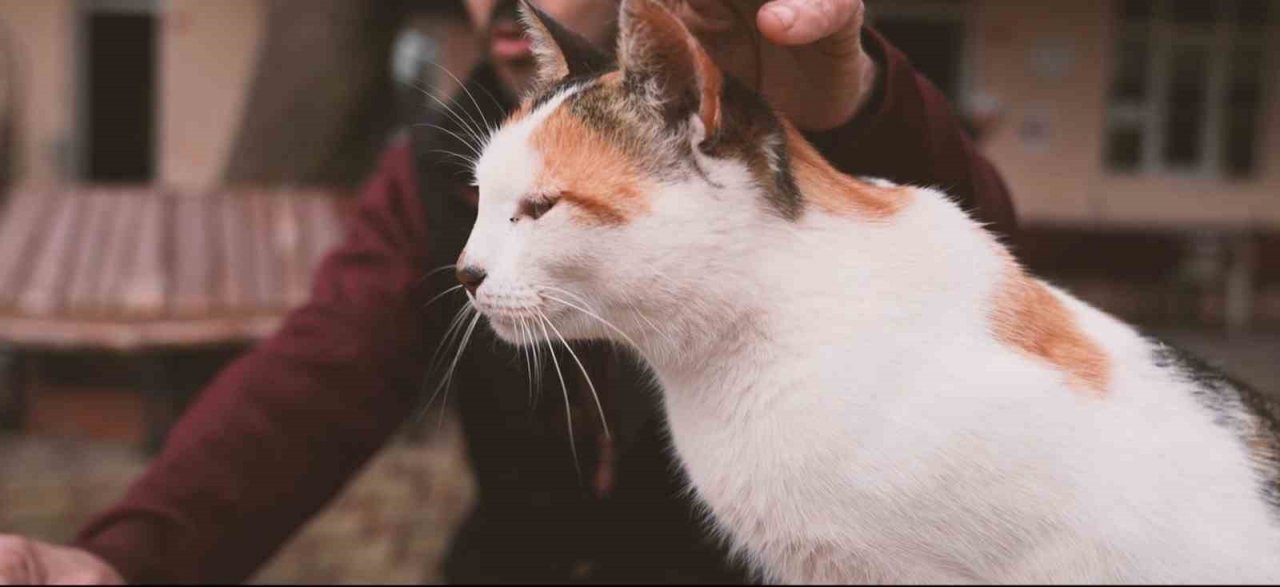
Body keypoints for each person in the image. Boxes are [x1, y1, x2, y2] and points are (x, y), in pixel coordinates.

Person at [0, 0, 1016, 583]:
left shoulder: (752, 130)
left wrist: (854, 114)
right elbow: (312, 378)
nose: (497, 0)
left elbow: (990, 273)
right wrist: (130, 558)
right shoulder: (458, 155)